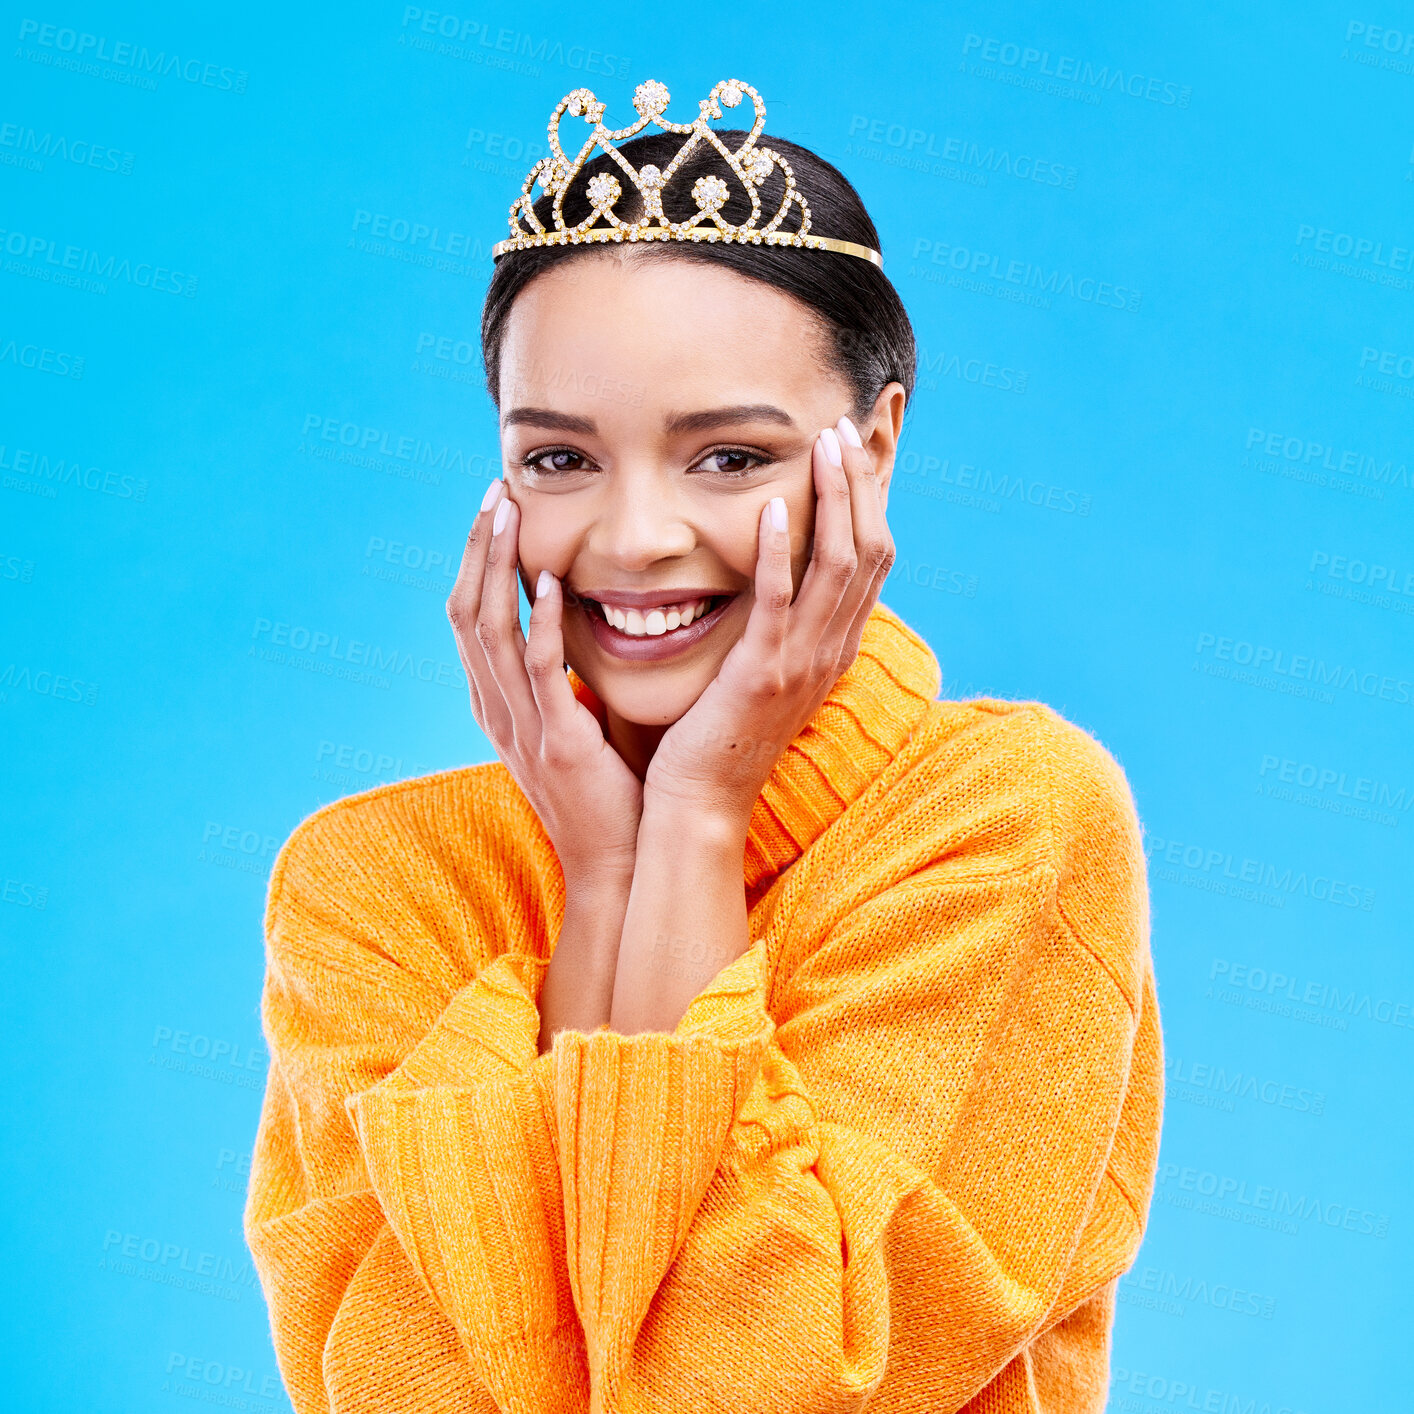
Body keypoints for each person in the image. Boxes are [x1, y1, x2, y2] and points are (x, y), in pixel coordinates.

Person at [244, 79, 1164, 1414]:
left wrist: (686, 826)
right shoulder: (373, 887)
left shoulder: (1005, 818)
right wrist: (603, 873)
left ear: (876, 444)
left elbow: (752, 1386)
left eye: (727, 457)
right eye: (560, 461)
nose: (632, 540)